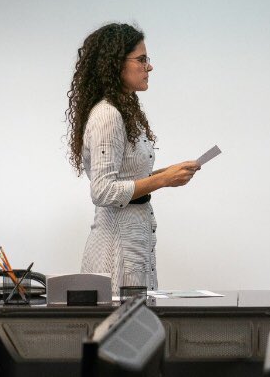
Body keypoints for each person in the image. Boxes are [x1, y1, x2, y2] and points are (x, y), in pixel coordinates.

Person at [66, 23, 200, 294]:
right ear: (116, 64)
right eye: (141, 59)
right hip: (116, 251)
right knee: (126, 321)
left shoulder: (124, 110)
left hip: (133, 242)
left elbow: (125, 177)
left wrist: (168, 173)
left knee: (141, 318)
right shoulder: (108, 115)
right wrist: (163, 179)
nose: (149, 67)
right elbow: (103, 191)